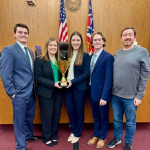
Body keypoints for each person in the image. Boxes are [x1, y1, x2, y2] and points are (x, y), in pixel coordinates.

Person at [107, 27, 150, 150]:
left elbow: (145, 74)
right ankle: (116, 138)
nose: (127, 37)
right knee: (116, 119)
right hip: (115, 95)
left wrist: (139, 95)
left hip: (131, 96)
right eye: (125, 35)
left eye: (130, 34)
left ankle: (128, 142)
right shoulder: (117, 53)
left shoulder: (142, 52)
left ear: (134, 37)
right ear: (121, 38)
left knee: (130, 122)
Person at [0, 23, 40, 150]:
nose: (23, 35)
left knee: (29, 117)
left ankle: (27, 136)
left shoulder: (30, 52)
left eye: (25, 33)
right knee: (19, 121)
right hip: (19, 94)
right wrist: (11, 92)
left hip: (32, 92)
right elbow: (5, 73)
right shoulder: (9, 50)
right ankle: (21, 146)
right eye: (20, 32)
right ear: (15, 34)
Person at [34, 37, 64, 147]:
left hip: (59, 92)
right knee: (47, 115)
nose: (53, 47)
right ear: (47, 46)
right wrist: (53, 84)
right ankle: (46, 137)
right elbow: (38, 77)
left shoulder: (60, 59)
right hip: (46, 93)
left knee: (56, 115)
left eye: (55, 45)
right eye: (51, 45)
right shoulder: (40, 59)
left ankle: (54, 135)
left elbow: (63, 74)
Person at [87, 32, 114, 148]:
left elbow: (109, 79)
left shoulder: (108, 57)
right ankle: (96, 134)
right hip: (92, 92)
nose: (97, 41)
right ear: (92, 43)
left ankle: (102, 137)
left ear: (103, 42)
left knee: (103, 117)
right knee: (95, 116)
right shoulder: (90, 57)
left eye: (99, 39)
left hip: (102, 94)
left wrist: (104, 96)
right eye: (95, 40)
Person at [65, 31, 90, 144]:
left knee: (79, 111)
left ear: (81, 42)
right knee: (70, 111)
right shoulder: (66, 55)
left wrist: (73, 81)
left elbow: (86, 74)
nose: (75, 42)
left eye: (77, 40)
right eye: (73, 40)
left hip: (79, 88)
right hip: (67, 88)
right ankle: (73, 130)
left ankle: (78, 133)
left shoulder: (85, 56)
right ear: (70, 42)